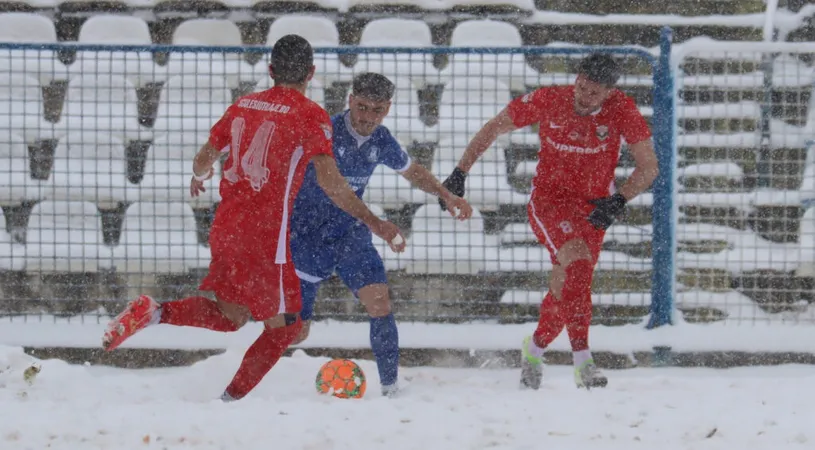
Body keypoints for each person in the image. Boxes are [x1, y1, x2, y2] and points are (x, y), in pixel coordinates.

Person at [101, 35, 406, 402]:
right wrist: (376, 223)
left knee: (231, 316)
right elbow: (334, 186)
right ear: (311, 72)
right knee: (284, 329)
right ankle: (229, 402)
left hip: (226, 228)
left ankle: (155, 312)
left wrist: (200, 177)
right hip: (268, 237)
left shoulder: (243, 104)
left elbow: (202, 159)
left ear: (270, 69)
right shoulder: (311, 116)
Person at [439, 53, 658, 390]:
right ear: (577, 78)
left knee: (564, 292)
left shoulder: (622, 109)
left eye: (594, 94)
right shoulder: (550, 99)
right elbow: (494, 126)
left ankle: (534, 349)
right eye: (582, 87)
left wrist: (617, 201)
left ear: (609, 93)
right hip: (550, 204)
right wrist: (459, 173)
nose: (584, 97)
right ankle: (583, 362)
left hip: (594, 209)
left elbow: (648, 167)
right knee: (580, 266)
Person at [289, 72, 473, 397]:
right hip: (308, 236)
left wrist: (447, 195)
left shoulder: (381, 139)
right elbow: (334, 189)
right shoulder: (326, 134)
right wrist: (380, 225)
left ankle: (391, 389)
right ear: (350, 101)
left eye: (376, 110)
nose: (367, 117)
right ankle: (253, 377)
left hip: (350, 234)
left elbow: (412, 171)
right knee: (296, 332)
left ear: (386, 110)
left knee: (380, 303)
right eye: (361, 107)